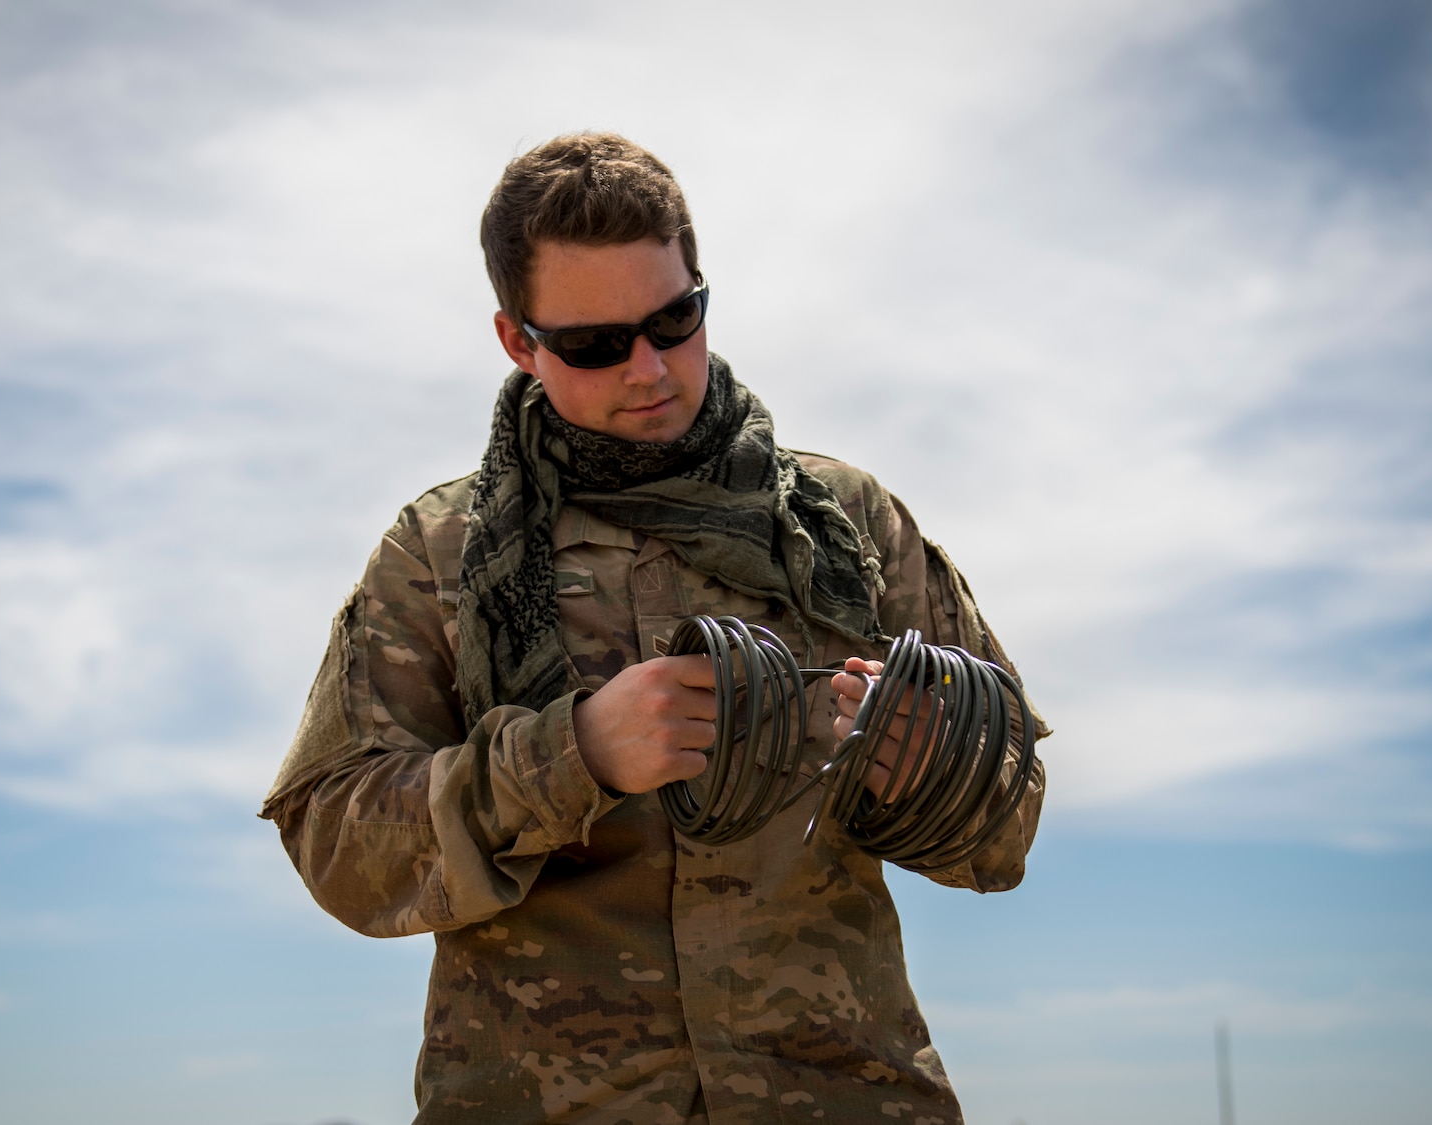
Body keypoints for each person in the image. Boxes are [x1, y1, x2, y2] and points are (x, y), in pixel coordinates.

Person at [262, 132, 1048, 1125]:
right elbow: (336, 845)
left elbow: (1006, 824)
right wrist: (569, 755)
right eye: (594, 344)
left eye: (674, 321)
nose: (649, 368)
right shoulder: (438, 551)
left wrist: (923, 770)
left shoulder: (848, 524)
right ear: (517, 341)